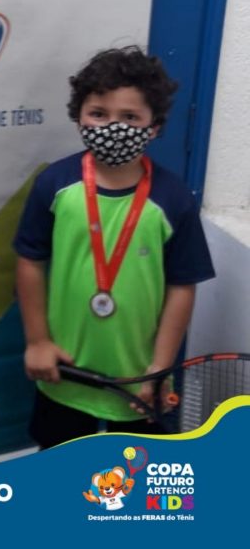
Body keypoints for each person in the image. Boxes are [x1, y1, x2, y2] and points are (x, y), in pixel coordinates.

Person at [13, 46, 215, 449]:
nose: (113, 127)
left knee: (133, 480)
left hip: (140, 384)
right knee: (58, 474)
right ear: (79, 117)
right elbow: (30, 262)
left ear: (154, 126)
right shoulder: (55, 184)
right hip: (64, 374)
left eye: (130, 117)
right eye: (99, 114)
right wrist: (37, 341)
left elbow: (182, 286)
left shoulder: (173, 198)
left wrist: (160, 366)